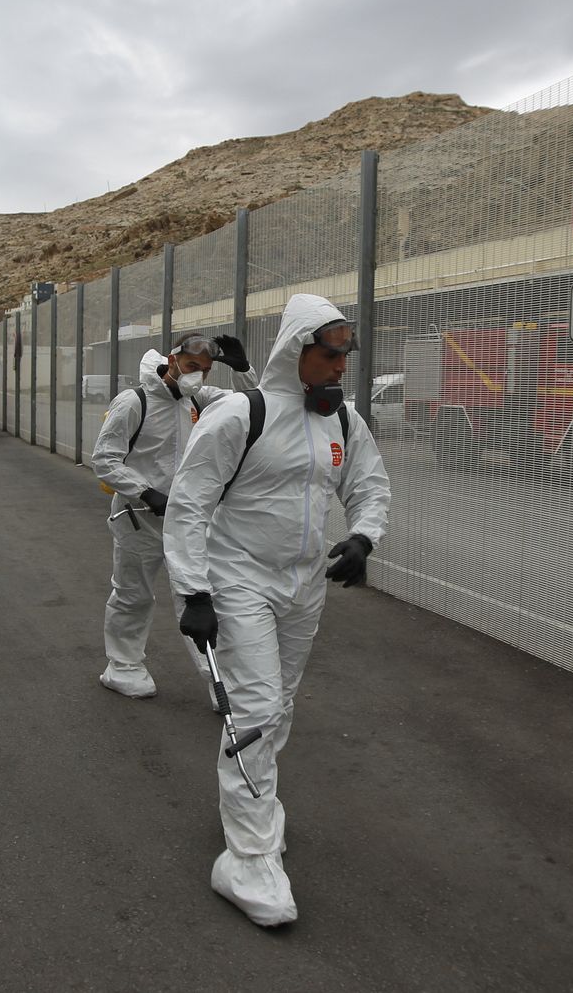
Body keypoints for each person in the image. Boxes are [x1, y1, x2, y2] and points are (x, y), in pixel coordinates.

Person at [163, 294, 390, 926]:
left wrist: (363, 536)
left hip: (302, 588)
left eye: (347, 354)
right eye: (331, 353)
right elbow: (188, 506)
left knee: (279, 702)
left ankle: (257, 808)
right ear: (297, 352)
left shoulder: (342, 420)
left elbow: (370, 484)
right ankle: (248, 855)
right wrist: (195, 593)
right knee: (256, 708)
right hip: (238, 582)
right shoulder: (241, 414)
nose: (342, 366)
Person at [90, 333, 255, 699]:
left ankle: (219, 682)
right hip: (139, 518)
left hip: (189, 521)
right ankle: (123, 666)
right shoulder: (134, 402)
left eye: (206, 370)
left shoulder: (198, 399)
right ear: (173, 359)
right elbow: (104, 458)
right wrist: (146, 491)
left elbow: (253, 404)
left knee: (200, 599)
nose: (199, 375)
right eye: (193, 366)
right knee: (134, 594)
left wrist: (243, 370)